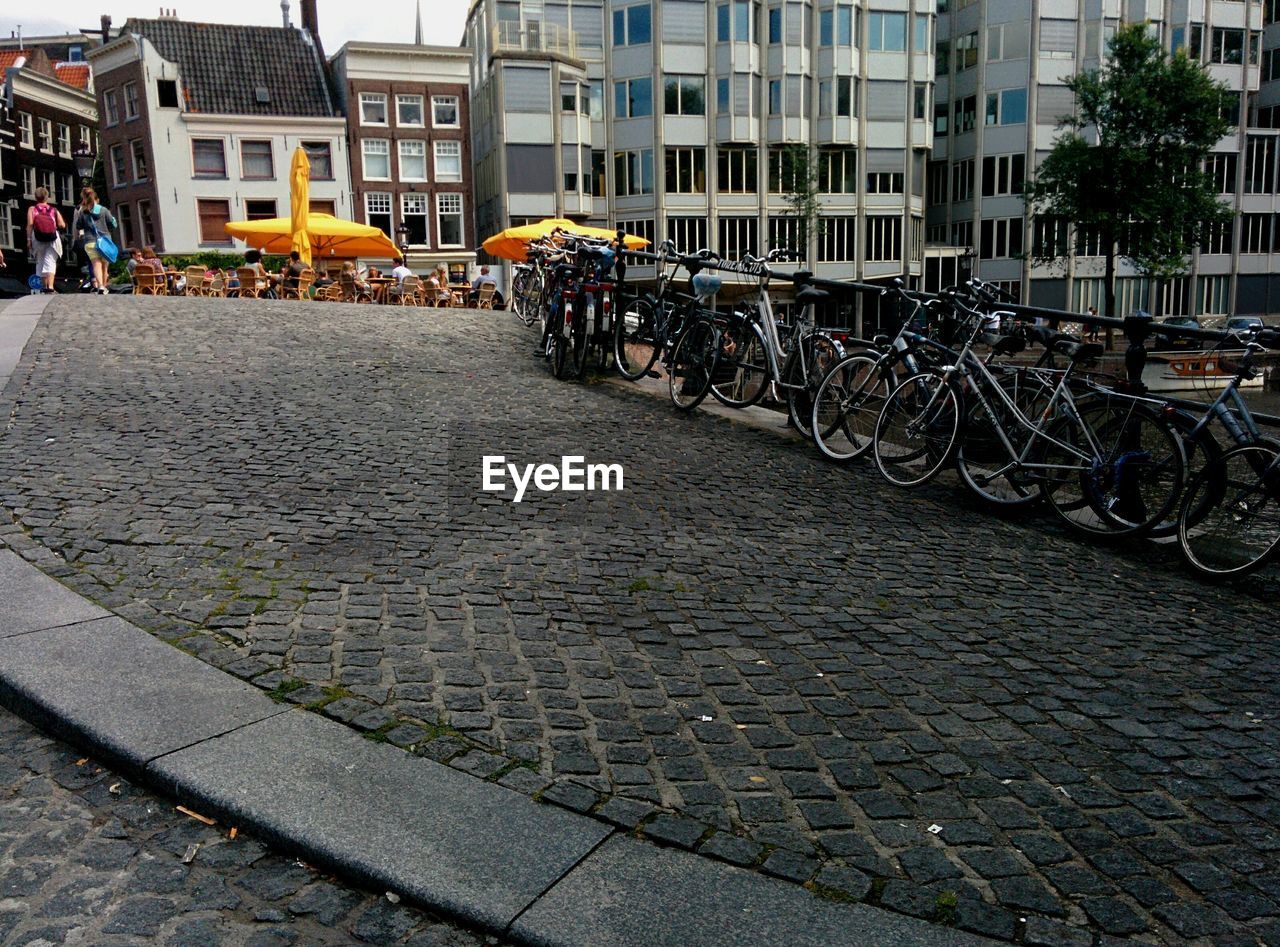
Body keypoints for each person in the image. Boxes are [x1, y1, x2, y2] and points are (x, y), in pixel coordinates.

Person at [71, 187, 118, 294]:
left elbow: (78, 226)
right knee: (105, 266)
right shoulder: (104, 210)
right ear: (96, 199)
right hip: (105, 242)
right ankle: (105, 286)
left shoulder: (84, 212)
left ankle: (100, 286)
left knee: (96, 264)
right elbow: (113, 224)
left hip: (90, 242)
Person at [26, 187, 66, 294]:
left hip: (37, 238)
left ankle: (44, 287)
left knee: (40, 261)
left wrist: (29, 239)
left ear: (36, 197)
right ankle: (50, 287)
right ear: (47, 197)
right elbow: (62, 224)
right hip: (52, 238)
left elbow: (30, 224)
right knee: (50, 261)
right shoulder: (53, 210)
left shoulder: (32, 209)